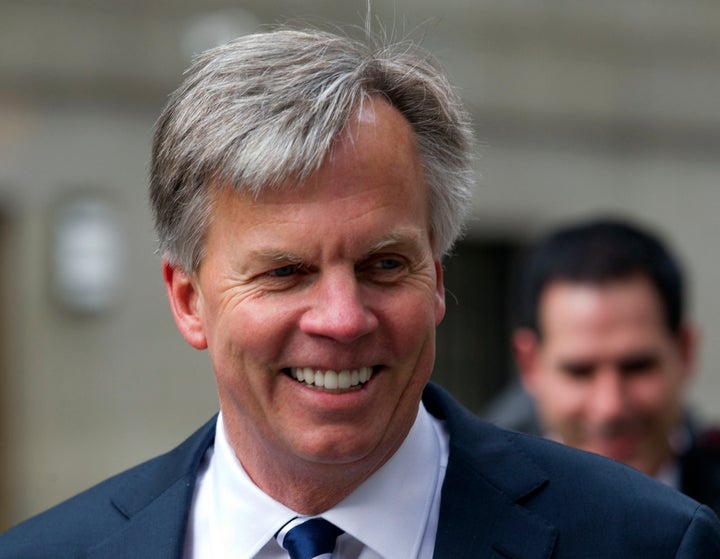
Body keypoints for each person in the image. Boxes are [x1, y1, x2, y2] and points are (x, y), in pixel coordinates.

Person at [1, 28, 719, 559]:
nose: (342, 319)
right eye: (285, 272)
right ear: (188, 300)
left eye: (383, 264)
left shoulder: (647, 542)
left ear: (436, 277)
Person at [487, 217, 720, 515]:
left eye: (637, 367)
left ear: (685, 352)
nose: (610, 406)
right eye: (580, 371)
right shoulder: (466, 509)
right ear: (530, 364)